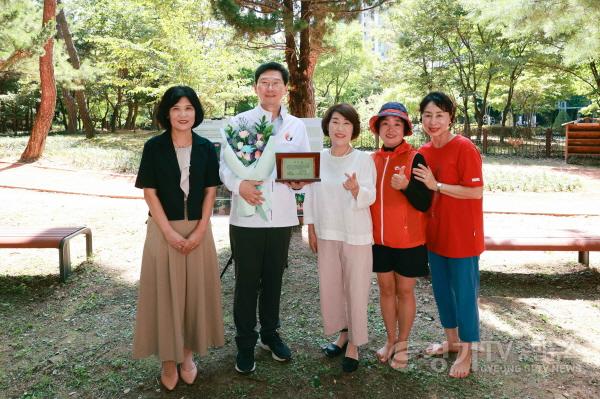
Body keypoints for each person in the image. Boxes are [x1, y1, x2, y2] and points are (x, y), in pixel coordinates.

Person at [219, 62, 311, 374]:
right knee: (246, 282)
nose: (269, 88)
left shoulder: (296, 127)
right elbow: (225, 167)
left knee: (273, 279)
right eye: (263, 82)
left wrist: (300, 182)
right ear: (256, 87)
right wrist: (239, 185)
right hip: (246, 218)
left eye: (275, 82)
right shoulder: (239, 122)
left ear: (285, 88)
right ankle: (245, 343)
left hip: (281, 216)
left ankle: (270, 335)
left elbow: (301, 168)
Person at [133, 86, 224, 390]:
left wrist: (200, 230)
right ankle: (168, 362)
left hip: (199, 230)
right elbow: (149, 192)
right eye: (176, 108)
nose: (183, 114)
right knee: (165, 295)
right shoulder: (154, 147)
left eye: (188, 108)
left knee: (193, 295)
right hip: (163, 230)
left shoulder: (206, 147)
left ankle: (187, 357)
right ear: (167, 113)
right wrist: (169, 233)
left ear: (196, 112)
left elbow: (211, 190)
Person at [413, 91, 484, 378]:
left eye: (439, 115)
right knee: (442, 293)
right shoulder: (424, 152)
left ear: (450, 118)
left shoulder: (465, 148)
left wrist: (437, 185)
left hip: (463, 237)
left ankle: (467, 352)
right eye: (428, 115)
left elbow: (476, 191)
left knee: (465, 295)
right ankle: (452, 341)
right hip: (435, 235)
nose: (433, 121)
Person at [303, 103, 376, 372]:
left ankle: (355, 344)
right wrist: (310, 227)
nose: (340, 128)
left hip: (355, 233)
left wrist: (357, 189)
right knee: (333, 287)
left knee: (356, 288)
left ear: (354, 129)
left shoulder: (363, 159)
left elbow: (371, 195)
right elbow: (309, 193)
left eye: (346, 123)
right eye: (335, 122)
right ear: (327, 126)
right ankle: (343, 334)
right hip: (327, 232)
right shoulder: (317, 158)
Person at [368, 102, 432, 369]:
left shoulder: (416, 158)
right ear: (378, 129)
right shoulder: (371, 160)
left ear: (405, 129)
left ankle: (403, 344)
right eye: (385, 124)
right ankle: (390, 340)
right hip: (379, 241)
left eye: (397, 124)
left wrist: (406, 186)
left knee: (404, 292)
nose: (391, 129)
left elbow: (425, 201)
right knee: (385, 290)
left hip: (409, 242)